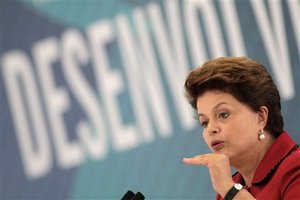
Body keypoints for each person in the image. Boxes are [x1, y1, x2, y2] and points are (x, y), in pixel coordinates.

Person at [182, 57, 300, 200]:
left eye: (223, 114)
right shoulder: (229, 189)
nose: (211, 129)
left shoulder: (295, 168)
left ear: (261, 117)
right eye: (205, 122)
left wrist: (230, 190)